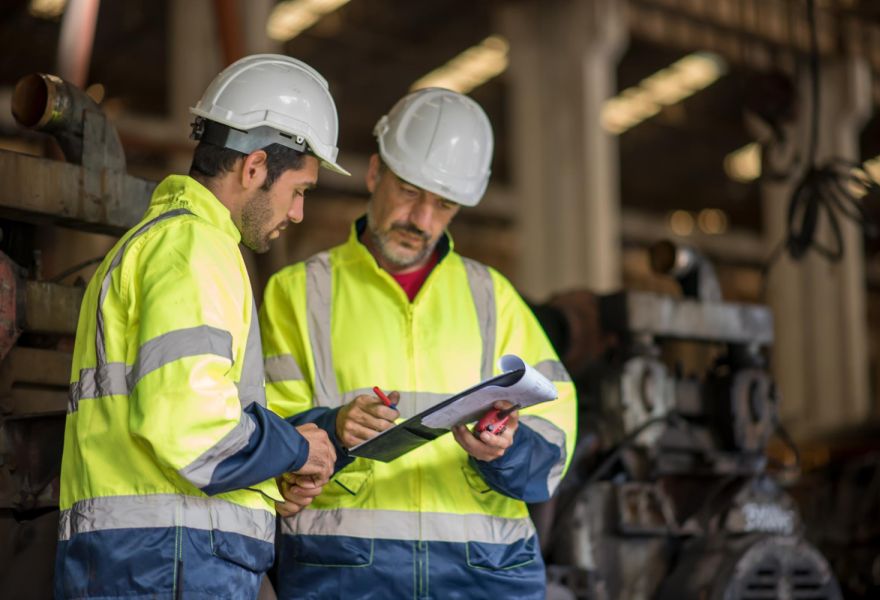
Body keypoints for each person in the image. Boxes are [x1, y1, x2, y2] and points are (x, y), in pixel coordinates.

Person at [260, 88, 577, 599]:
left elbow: (556, 445)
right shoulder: (298, 293)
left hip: (484, 576)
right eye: (409, 192)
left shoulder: (492, 297)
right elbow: (264, 429)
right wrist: (332, 427)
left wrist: (506, 449)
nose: (422, 220)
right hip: (344, 574)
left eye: (443, 204)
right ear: (374, 174)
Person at [54, 54, 347, 599]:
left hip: (150, 559)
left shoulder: (164, 242)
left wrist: (266, 479)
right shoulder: (194, 248)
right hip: (169, 561)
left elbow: (186, 424)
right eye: (300, 190)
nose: (299, 213)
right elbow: (190, 428)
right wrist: (295, 448)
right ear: (255, 167)